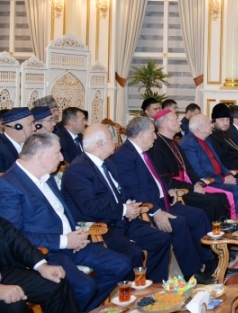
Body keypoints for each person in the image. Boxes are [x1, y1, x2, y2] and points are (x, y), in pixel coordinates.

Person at [0, 132, 132, 311]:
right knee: (85, 287)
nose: (62, 158)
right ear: (41, 156)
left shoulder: (47, 177)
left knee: (122, 265)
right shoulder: (8, 185)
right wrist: (64, 241)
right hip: (44, 251)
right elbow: (15, 236)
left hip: (71, 243)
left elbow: (61, 212)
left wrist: (77, 233)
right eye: (57, 152)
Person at [110, 117, 219, 283]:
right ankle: (192, 273)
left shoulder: (141, 152)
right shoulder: (124, 156)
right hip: (149, 208)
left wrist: (168, 189)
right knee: (179, 223)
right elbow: (132, 191)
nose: (155, 137)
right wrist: (156, 211)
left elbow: (155, 179)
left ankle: (211, 262)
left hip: (164, 201)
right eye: (152, 133)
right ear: (141, 134)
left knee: (198, 215)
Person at [61, 125, 171, 283]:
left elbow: (119, 193)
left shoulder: (108, 164)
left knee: (161, 239)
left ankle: (154, 285)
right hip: (102, 226)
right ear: (100, 143)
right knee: (134, 252)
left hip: (122, 220)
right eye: (111, 139)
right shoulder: (78, 170)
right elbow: (89, 207)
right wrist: (124, 209)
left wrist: (130, 206)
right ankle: (132, 291)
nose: (115, 142)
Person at [149, 109, 232, 221]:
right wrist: (192, 188)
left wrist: (197, 183)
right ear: (165, 123)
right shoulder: (156, 147)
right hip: (175, 191)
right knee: (213, 201)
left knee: (221, 197)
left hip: (185, 186)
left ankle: (223, 229)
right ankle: (213, 231)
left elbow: (188, 169)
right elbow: (165, 179)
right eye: (176, 119)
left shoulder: (174, 144)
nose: (180, 122)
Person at [0, 216, 80, 313]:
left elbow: (13, 239)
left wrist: (41, 266)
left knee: (56, 284)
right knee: (15, 306)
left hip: (3, 272)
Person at [180, 115, 238, 212]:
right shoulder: (188, 144)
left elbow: (219, 163)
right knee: (237, 190)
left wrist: (228, 174)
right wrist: (223, 180)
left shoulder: (207, 139)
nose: (212, 125)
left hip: (220, 177)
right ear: (200, 128)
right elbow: (197, 172)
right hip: (209, 181)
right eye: (209, 123)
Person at [0, 108, 37, 173]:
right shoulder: (1, 149)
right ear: (18, 127)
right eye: (30, 124)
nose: (34, 128)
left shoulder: (31, 144)